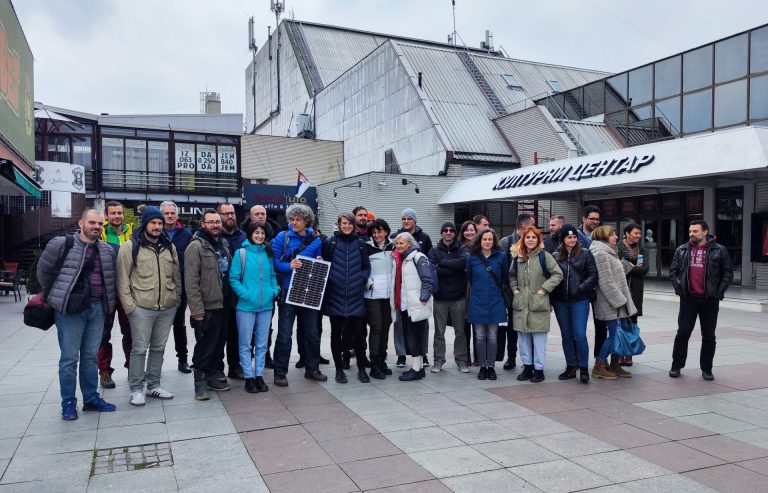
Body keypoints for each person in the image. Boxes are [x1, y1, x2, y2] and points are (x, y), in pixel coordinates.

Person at [38, 209, 117, 420]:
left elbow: (111, 280)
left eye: (100, 224)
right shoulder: (61, 244)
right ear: (81, 223)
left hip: (97, 309)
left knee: (91, 357)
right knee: (69, 359)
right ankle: (68, 403)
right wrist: (57, 297)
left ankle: (91, 399)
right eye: (92, 222)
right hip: (70, 311)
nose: (96, 227)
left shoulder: (107, 250)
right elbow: (43, 272)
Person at [117, 206, 181, 406]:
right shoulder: (130, 246)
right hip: (141, 308)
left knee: (159, 348)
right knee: (139, 349)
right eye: (153, 223)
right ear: (145, 224)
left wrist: (176, 300)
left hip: (167, 307)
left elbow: (176, 275)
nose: (157, 226)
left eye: (160, 223)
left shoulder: (169, 247)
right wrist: (130, 308)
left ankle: (153, 385)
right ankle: (136, 388)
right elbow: (122, 280)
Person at [669, 220, 733, 381]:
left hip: (709, 300)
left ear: (705, 232)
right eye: (690, 231)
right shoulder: (682, 249)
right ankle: (676, 366)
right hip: (688, 299)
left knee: (709, 335)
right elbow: (673, 271)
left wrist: (719, 292)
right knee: (683, 333)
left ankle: (707, 369)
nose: (691, 234)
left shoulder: (720, 250)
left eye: (695, 231)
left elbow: (727, 273)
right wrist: (679, 289)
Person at [272, 204, 326, 386]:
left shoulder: (316, 240)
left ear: (306, 221)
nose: (294, 222)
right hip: (288, 291)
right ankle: (280, 372)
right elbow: (274, 263)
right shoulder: (282, 237)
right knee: (285, 334)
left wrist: (319, 261)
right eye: (292, 219)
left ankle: (313, 369)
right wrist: (289, 266)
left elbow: (319, 262)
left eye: (298, 219)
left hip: (309, 290)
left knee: (312, 333)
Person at [185, 210, 233, 400]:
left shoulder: (223, 243)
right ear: (203, 224)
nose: (215, 225)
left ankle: (212, 376)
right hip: (206, 306)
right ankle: (200, 383)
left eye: (217, 222)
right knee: (205, 345)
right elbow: (191, 281)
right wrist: (197, 310)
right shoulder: (195, 247)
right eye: (211, 222)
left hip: (224, 303)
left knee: (217, 344)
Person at [229, 222, 279, 393]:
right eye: (256, 233)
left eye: (262, 233)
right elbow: (233, 278)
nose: (259, 236)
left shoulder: (268, 253)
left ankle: (259, 375)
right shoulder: (240, 253)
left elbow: (273, 276)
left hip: (266, 306)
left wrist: (274, 291)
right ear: (250, 234)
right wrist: (246, 295)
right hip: (245, 307)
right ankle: (248, 377)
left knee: (262, 344)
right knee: (244, 343)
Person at [322, 213, 371, 384]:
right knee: (336, 334)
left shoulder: (361, 244)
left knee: (358, 334)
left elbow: (366, 267)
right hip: (335, 295)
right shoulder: (330, 243)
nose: (347, 226)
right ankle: (339, 369)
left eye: (350, 223)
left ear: (354, 225)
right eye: (344, 223)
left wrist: (363, 279)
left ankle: (361, 369)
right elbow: (325, 265)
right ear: (339, 224)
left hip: (356, 296)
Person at [510, 227, 563, 383]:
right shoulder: (517, 257)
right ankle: (527, 367)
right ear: (523, 239)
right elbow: (511, 275)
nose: (531, 240)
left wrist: (544, 289)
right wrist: (515, 290)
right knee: (523, 338)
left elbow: (557, 274)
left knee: (539, 339)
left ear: (538, 240)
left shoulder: (544, 256)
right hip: (521, 304)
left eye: (534, 237)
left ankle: (539, 369)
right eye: (528, 237)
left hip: (538, 303)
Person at [551, 224, 598, 383]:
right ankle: (570, 366)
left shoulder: (585, 253)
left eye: (574, 237)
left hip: (580, 299)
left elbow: (593, 275)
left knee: (579, 334)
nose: (572, 240)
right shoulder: (555, 255)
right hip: (560, 300)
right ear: (563, 239)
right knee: (566, 335)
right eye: (568, 237)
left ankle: (583, 368)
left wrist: (581, 288)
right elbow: (551, 276)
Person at [589, 225, 637, 380]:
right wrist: (620, 300)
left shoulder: (610, 251)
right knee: (615, 333)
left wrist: (628, 264)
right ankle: (599, 366)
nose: (616, 237)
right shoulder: (600, 253)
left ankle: (615, 364)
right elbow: (606, 282)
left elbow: (615, 275)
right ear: (603, 237)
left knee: (622, 330)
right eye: (612, 234)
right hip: (610, 301)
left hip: (617, 301)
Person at [97, 201, 133, 389]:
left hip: (128, 290)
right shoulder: (100, 234)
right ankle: (104, 372)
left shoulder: (133, 232)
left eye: (119, 213)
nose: (117, 216)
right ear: (107, 215)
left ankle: (132, 368)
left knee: (130, 332)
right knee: (104, 334)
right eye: (113, 213)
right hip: (106, 291)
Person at [466, 228, 509, 380]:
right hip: (477, 301)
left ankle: (491, 366)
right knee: (479, 336)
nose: (487, 242)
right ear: (480, 240)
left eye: (490, 239)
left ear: (494, 241)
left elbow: (505, 278)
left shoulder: (501, 256)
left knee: (492, 336)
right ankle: (482, 366)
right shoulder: (472, 257)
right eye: (485, 239)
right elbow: (470, 278)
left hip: (496, 301)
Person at [392, 208, 432, 368]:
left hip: (416, 299)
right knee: (403, 328)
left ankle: (420, 359)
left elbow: (427, 274)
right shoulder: (398, 248)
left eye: (409, 218)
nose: (406, 221)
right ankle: (405, 356)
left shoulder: (419, 252)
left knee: (419, 329)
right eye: (403, 218)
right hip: (402, 297)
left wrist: (423, 296)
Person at [428, 221, 469, 373]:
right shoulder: (434, 250)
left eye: (451, 230)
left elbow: (463, 263)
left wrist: (443, 263)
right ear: (441, 233)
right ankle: (438, 360)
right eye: (445, 230)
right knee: (439, 332)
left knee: (460, 332)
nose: (448, 232)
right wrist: (455, 267)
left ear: (455, 233)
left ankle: (461, 360)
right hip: (440, 298)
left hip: (458, 297)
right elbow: (433, 269)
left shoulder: (463, 248)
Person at [498, 213, 535, 371]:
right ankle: (511, 357)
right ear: (524, 227)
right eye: (532, 225)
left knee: (530, 325)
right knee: (512, 326)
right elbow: (501, 268)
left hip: (531, 292)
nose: (534, 229)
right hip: (510, 292)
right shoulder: (506, 242)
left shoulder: (534, 242)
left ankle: (531, 359)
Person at [160, 201, 193, 373]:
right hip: (159, 288)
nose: (170, 216)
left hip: (180, 287)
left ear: (177, 215)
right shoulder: (155, 233)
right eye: (166, 213)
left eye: (172, 213)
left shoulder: (186, 235)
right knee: (157, 327)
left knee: (179, 325)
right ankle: (156, 363)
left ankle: (183, 360)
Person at [217, 203, 247, 381]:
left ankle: (235, 367)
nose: (230, 216)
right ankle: (218, 368)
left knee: (236, 333)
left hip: (239, 294)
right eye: (225, 213)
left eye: (232, 213)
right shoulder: (213, 236)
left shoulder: (243, 236)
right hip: (219, 293)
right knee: (219, 334)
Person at [577, 205, 609, 363]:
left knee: (601, 325)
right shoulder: (573, 236)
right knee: (577, 327)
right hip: (580, 286)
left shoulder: (603, 237)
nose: (595, 221)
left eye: (597, 219)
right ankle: (575, 360)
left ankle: (600, 360)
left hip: (599, 287)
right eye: (592, 219)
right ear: (584, 219)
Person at [364, 218, 395, 379]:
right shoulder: (366, 247)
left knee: (386, 326)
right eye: (374, 232)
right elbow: (362, 268)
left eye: (380, 231)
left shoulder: (393, 246)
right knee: (376, 327)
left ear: (386, 232)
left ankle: (382, 360)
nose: (377, 234)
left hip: (388, 295)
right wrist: (369, 284)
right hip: (373, 295)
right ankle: (374, 363)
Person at [617, 222, 649, 367]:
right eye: (635, 233)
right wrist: (633, 266)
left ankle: (629, 354)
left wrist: (628, 265)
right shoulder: (618, 247)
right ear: (627, 233)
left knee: (633, 322)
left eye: (639, 233)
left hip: (635, 290)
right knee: (619, 323)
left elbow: (644, 270)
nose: (638, 236)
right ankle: (619, 353)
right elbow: (617, 269)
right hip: (620, 289)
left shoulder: (642, 249)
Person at [459, 220, 478, 367]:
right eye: (467, 230)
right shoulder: (459, 247)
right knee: (464, 325)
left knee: (477, 324)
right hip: (462, 288)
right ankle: (465, 355)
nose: (469, 233)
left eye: (472, 230)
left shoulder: (480, 246)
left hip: (477, 288)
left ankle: (478, 355)